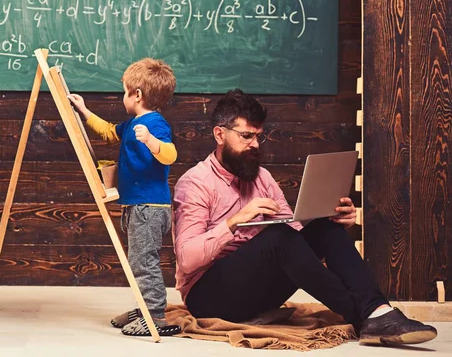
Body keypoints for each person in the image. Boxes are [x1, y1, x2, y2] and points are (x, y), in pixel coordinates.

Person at [172, 89, 438, 345]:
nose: (254, 144)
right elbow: (186, 260)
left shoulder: (261, 177)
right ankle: (363, 318)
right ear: (220, 134)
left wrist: (331, 223)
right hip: (207, 297)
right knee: (277, 237)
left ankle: (377, 309)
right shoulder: (195, 183)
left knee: (322, 228)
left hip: (257, 292)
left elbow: (294, 236)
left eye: (258, 137)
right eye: (245, 136)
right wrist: (233, 222)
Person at [69, 58, 181, 337]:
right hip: (136, 205)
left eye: (125, 91)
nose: (123, 96)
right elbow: (108, 131)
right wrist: (83, 110)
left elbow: (170, 154)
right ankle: (144, 308)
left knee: (144, 262)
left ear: (137, 95)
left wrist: (152, 142)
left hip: (149, 207)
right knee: (137, 260)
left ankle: (154, 316)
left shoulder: (154, 124)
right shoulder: (133, 123)